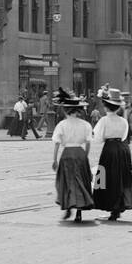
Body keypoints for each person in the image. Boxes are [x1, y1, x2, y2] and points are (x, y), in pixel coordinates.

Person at [90, 88, 132, 222]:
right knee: (121, 177)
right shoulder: (123, 121)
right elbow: (124, 136)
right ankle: (118, 207)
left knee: (107, 177)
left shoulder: (104, 120)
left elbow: (98, 138)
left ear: (106, 107)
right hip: (122, 149)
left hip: (110, 149)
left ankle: (110, 205)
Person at [51, 89, 95, 222]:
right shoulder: (85, 124)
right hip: (80, 153)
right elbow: (88, 143)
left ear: (65, 110)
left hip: (67, 154)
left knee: (66, 181)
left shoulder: (62, 124)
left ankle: (68, 207)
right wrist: (85, 156)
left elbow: (57, 143)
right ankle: (79, 212)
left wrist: (54, 160)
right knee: (81, 181)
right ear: (78, 110)